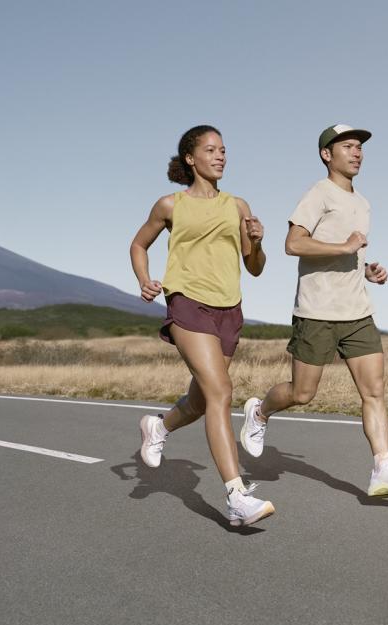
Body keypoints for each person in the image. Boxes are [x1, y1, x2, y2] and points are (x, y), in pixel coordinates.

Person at [239, 124, 388, 498]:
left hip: (357, 312)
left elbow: (351, 251)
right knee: (302, 393)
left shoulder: (363, 203)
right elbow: (293, 243)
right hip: (317, 311)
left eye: (359, 147)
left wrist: (367, 270)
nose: (357, 153)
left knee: (374, 391)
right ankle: (259, 412)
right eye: (348, 146)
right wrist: (343, 247)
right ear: (327, 154)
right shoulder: (318, 194)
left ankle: (383, 468)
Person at [129, 124, 276, 527]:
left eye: (223, 150)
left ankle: (159, 426)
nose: (220, 156)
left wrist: (258, 241)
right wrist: (144, 279)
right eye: (211, 150)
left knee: (201, 400)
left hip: (229, 309)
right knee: (222, 392)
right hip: (187, 302)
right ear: (191, 158)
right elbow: (138, 244)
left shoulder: (238, 206)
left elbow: (255, 268)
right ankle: (236, 495)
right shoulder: (170, 205)